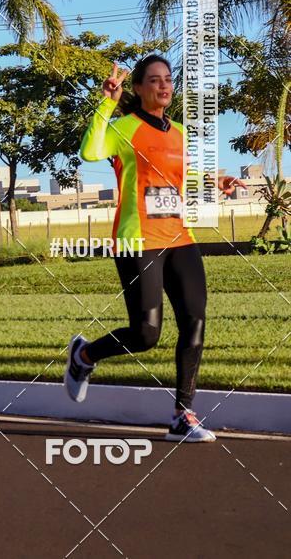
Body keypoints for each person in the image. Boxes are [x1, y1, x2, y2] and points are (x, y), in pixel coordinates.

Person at [63, 56, 238, 442]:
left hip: (180, 238)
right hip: (137, 239)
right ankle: (84, 355)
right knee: (145, 334)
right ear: (139, 88)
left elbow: (181, 177)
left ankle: (182, 415)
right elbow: (89, 151)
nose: (164, 86)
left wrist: (214, 181)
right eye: (155, 80)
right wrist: (107, 103)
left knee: (194, 320)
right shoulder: (123, 128)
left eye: (168, 80)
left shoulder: (180, 132)